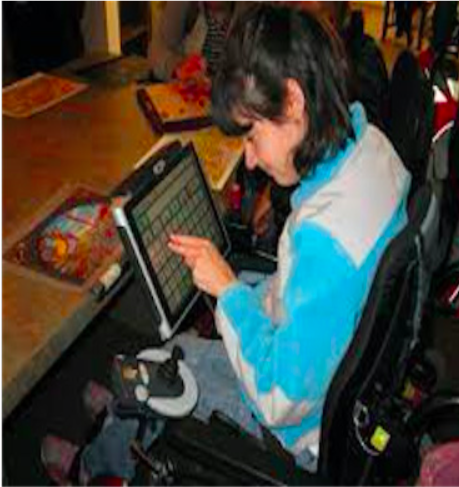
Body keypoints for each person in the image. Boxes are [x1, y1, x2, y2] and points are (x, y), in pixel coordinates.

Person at [41, 4, 411, 484]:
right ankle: (124, 404)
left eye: (252, 135)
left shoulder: (326, 240)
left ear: (294, 101)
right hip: (329, 366)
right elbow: (313, 298)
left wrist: (229, 293)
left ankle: (92, 466)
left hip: (297, 427)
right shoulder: (371, 145)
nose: (250, 161)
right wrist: (242, 291)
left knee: (171, 360)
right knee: (189, 342)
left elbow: (279, 397)